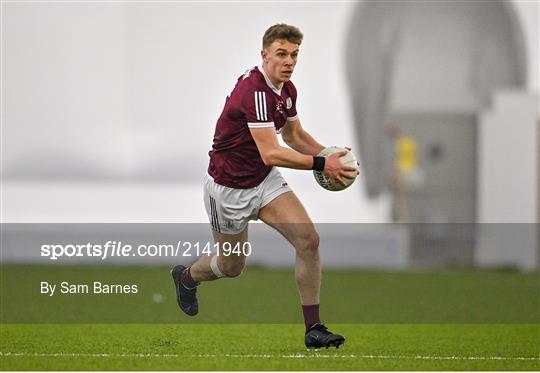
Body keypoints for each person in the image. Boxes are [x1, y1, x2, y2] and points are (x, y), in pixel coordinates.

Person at [172, 23, 357, 349]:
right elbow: (271, 150)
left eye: (294, 55)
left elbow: (293, 136)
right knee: (231, 267)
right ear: (264, 55)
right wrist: (320, 163)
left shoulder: (286, 90)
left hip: (263, 179)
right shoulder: (255, 91)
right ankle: (186, 278)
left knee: (308, 240)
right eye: (281, 54)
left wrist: (330, 155)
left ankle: (313, 328)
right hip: (228, 189)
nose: (289, 61)